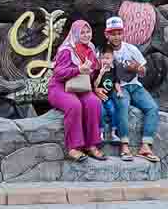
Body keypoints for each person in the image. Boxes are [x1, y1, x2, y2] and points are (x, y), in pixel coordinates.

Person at [48, 18, 106, 161]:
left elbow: (91, 74)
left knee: (94, 103)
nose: (86, 35)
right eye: (82, 32)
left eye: (88, 32)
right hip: (60, 87)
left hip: (80, 86)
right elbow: (58, 73)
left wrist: (100, 73)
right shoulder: (67, 50)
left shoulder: (91, 49)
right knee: (74, 105)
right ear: (75, 33)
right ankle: (73, 147)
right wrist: (78, 69)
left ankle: (91, 145)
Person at [103, 15, 158, 162]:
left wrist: (138, 68)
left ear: (123, 33)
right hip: (118, 86)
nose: (116, 37)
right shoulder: (105, 52)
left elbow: (144, 70)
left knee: (152, 107)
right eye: (112, 34)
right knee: (122, 106)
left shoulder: (131, 49)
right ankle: (125, 145)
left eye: (119, 33)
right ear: (106, 34)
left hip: (135, 85)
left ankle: (145, 146)